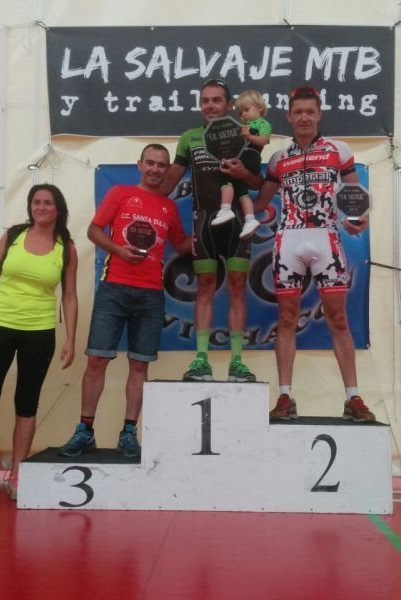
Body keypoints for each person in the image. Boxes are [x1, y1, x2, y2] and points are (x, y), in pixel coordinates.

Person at [60, 144, 192, 459]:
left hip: (151, 294)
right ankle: (85, 431)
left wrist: (215, 235)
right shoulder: (120, 193)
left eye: (162, 165)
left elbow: (182, 244)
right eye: (151, 163)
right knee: (96, 361)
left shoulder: (168, 207)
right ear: (139, 165)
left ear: (167, 169)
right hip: (114, 289)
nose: (156, 169)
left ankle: (129, 433)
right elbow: (93, 230)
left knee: (139, 364)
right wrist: (118, 250)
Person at [253, 86, 376, 422]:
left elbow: (354, 194)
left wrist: (359, 217)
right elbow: (261, 201)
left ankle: (353, 397)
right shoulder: (278, 158)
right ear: (289, 117)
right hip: (289, 240)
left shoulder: (339, 149)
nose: (304, 117)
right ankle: (285, 396)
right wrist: (239, 183)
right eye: (298, 112)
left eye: (310, 111)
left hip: (326, 238)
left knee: (338, 318)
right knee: (286, 319)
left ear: (319, 115)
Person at [0, 184, 78, 506]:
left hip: (40, 330)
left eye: (47, 203)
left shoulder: (66, 248)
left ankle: (17, 474)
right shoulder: (13, 236)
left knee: (27, 402)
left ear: (58, 209)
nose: (41, 207)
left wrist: (71, 338)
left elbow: (69, 296)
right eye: (36, 202)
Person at [160, 78, 263, 383]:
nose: (210, 106)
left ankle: (237, 362)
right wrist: (147, 202)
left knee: (237, 288)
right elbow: (173, 175)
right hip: (204, 222)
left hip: (237, 224)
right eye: (205, 100)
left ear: (229, 105)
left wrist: (244, 173)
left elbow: (259, 183)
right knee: (204, 287)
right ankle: (201, 360)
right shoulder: (189, 137)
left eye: (216, 100)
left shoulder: (246, 133)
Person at [211, 89, 272, 240]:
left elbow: (263, 140)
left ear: (259, 108)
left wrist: (249, 135)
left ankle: (226, 209)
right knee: (241, 191)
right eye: (240, 113)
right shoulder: (242, 126)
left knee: (225, 177)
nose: (243, 115)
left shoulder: (263, 123)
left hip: (251, 156)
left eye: (246, 110)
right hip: (244, 156)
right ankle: (250, 220)